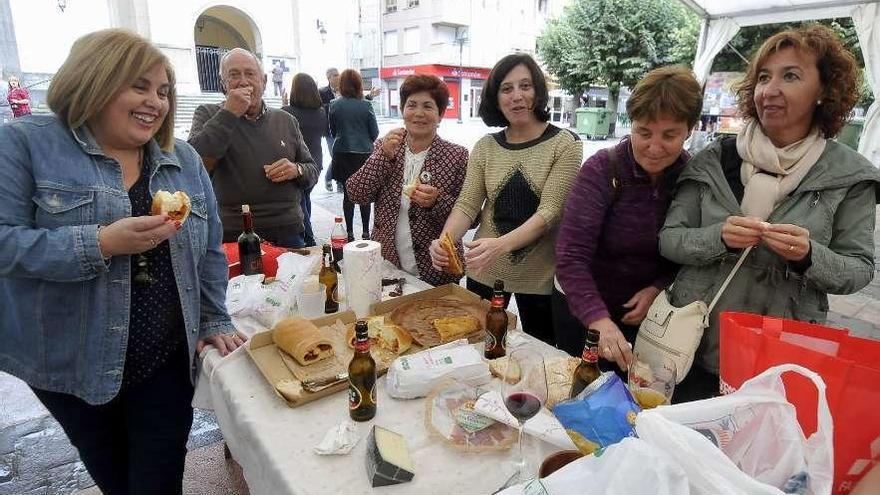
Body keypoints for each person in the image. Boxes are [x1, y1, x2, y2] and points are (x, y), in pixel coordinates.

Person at [0, 29, 244, 494]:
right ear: (94, 80)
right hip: (72, 362)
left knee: (156, 479)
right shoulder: (24, 145)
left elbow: (210, 248)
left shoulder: (184, 159)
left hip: (165, 358)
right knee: (113, 475)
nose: (156, 102)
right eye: (140, 86)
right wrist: (99, 244)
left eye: (164, 92)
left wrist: (214, 315)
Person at [660, 25, 880, 402]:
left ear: (824, 90)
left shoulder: (849, 176)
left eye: (790, 76)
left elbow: (859, 268)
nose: (769, 89)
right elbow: (670, 240)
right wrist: (718, 237)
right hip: (693, 343)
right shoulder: (714, 159)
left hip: (779, 356)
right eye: (764, 77)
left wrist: (810, 255)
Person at [554, 66, 702, 373]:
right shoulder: (602, 170)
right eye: (644, 133)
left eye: (670, 135)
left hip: (651, 314)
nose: (655, 147)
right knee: (578, 393)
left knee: (635, 398)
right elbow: (570, 256)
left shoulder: (693, 178)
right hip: (583, 307)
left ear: (690, 129)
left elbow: (690, 252)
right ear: (630, 123)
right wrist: (598, 319)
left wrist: (659, 287)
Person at [429, 53, 582, 344]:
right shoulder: (486, 147)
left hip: (540, 278)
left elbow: (550, 213)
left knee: (542, 353)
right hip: (485, 270)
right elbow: (467, 203)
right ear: (496, 98)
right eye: (506, 89)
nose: (517, 96)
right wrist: (444, 240)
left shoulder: (565, 144)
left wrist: (499, 246)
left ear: (537, 91)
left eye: (525, 86)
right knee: (475, 344)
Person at [188, 48, 318, 248]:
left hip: (287, 232)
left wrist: (296, 170)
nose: (243, 81)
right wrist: (229, 113)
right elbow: (195, 164)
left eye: (250, 74)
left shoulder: (286, 119)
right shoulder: (208, 113)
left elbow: (312, 170)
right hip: (233, 236)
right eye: (233, 75)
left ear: (264, 81)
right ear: (223, 84)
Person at [347, 74, 469, 286]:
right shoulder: (385, 147)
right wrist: (383, 156)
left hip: (436, 269)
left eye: (428, 106)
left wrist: (436, 202)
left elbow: (470, 214)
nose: (419, 113)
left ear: (440, 115)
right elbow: (357, 193)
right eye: (412, 105)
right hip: (388, 264)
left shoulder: (457, 156)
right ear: (403, 110)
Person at [328, 68, 379, 241]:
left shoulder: (334, 105)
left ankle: (349, 233)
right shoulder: (366, 104)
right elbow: (375, 132)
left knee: (348, 195)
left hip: (342, 153)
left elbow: (333, 131)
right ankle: (365, 231)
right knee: (364, 194)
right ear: (359, 85)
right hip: (363, 154)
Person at [282, 73, 327, 247]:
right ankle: (308, 233)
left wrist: (283, 106)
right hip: (316, 163)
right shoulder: (321, 112)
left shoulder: (287, 112)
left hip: (298, 164)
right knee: (305, 198)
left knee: (300, 201)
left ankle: (309, 237)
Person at [319, 67, 341, 191]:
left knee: (340, 156)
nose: (338, 77)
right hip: (329, 131)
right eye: (335, 75)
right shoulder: (322, 92)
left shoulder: (345, 90)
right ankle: (329, 177)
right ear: (329, 78)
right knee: (336, 156)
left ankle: (338, 181)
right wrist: (334, 102)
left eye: (338, 74)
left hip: (343, 129)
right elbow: (320, 109)